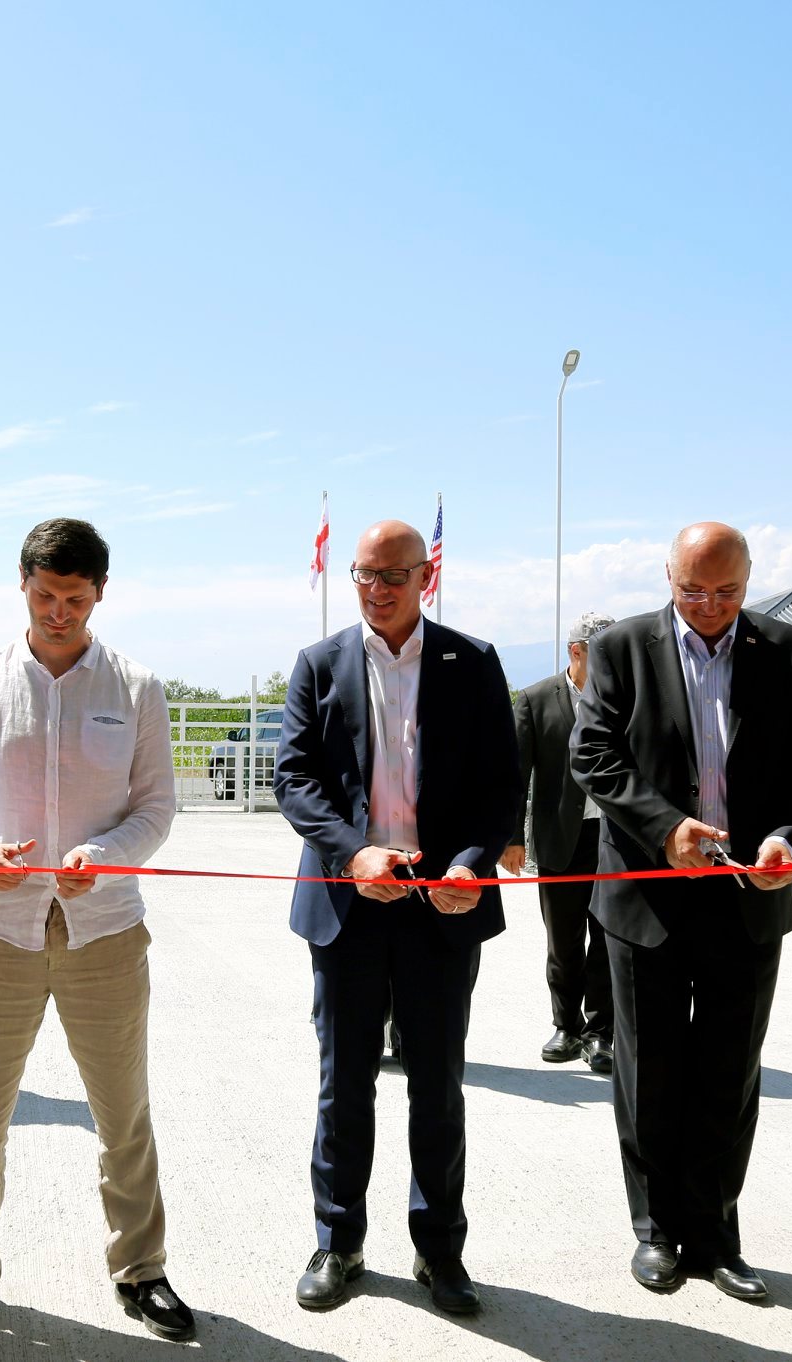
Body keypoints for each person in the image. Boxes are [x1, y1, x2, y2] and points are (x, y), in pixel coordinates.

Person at [0, 518, 192, 1345]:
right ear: (22, 584)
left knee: (123, 1111)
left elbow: (156, 807)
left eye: (75, 599)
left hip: (106, 931)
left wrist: (103, 857)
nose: (58, 613)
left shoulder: (136, 687)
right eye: (44, 596)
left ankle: (141, 1269)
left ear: (101, 592)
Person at [569, 522, 792, 1304]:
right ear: (668, 577)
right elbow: (594, 756)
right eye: (693, 590)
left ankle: (716, 1235)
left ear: (749, 582)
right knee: (648, 1071)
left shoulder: (785, 649)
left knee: (729, 1072)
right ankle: (655, 1230)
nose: (710, 606)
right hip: (646, 895)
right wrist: (665, 828)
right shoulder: (621, 648)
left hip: (748, 897)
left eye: (727, 591)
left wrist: (785, 838)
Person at [273, 519, 521, 1317]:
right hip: (350, 906)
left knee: (437, 1088)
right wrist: (354, 855)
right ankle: (338, 1242)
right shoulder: (320, 663)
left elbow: (500, 785)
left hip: (442, 906)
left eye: (393, 576)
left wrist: (470, 865)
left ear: (426, 577)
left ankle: (440, 1251)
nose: (377, 591)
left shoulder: (472, 662)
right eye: (364, 575)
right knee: (344, 1084)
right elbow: (295, 780)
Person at [504, 609, 617, 1072]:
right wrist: (512, 838)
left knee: (609, 939)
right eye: (603, 654)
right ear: (576, 652)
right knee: (564, 940)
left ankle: (602, 1033)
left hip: (615, 840)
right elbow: (516, 776)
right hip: (560, 840)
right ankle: (566, 1026)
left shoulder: (625, 697)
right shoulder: (535, 700)